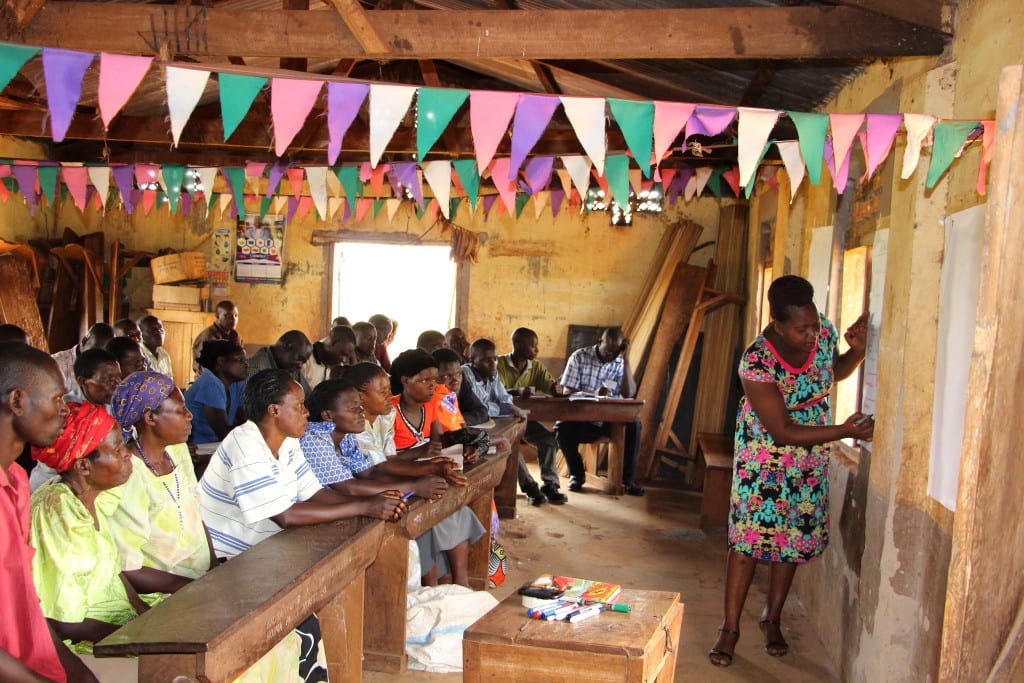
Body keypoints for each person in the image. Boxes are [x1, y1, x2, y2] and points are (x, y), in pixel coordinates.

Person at [708, 275, 873, 668]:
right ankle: (729, 629)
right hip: (764, 458)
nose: (812, 334)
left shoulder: (824, 333)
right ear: (777, 325)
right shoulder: (756, 361)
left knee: (793, 539)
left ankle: (772, 618)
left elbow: (832, 372)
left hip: (809, 458)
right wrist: (846, 431)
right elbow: (781, 430)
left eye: (815, 324)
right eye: (802, 329)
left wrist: (858, 353)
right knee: (749, 541)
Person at [199, 368, 406, 560]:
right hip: (230, 557)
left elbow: (315, 493)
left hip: (266, 547)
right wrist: (364, 506)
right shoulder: (245, 444)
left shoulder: (289, 441)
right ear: (274, 410)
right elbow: (286, 516)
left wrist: (376, 501)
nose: (306, 412)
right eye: (299, 406)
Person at [0, 342, 97, 683]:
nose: (66, 410)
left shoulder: (15, 481)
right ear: (17, 401)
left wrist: (78, 673)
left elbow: (24, 600)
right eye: (57, 399)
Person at [29, 402, 147, 680]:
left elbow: (113, 578)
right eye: (117, 449)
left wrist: (146, 615)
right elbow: (64, 623)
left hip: (120, 629)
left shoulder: (88, 498)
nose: (127, 454)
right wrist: (142, 638)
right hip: (86, 647)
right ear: (83, 465)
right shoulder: (59, 513)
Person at [109, 373, 214, 594]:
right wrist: (196, 589)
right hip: (164, 594)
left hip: (201, 580)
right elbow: (130, 569)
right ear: (149, 418)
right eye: (179, 410)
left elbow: (196, 513)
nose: (189, 416)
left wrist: (214, 570)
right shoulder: (127, 473)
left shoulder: (176, 450)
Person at [389, 350, 488, 586]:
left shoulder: (431, 406)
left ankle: (461, 582)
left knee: (456, 508)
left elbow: (439, 444)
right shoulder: (390, 412)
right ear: (405, 381)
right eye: (425, 381)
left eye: (434, 381)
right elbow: (385, 459)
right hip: (401, 479)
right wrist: (421, 453)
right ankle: (431, 587)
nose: (433, 386)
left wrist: (461, 451)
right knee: (427, 519)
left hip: (427, 472)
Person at [556, 326, 645, 497]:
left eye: (615, 352)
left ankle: (627, 479)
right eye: (607, 350)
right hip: (581, 419)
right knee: (562, 428)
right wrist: (592, 394)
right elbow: (568, 391)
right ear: (600, 342)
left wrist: (626, 361)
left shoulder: (619, 362)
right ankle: (577, 474)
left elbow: (629, 393)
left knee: (634, 423)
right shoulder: (580, 356)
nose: (610, 355)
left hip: (607, 421)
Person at [497, 328, 567, 505]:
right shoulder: (498, 364)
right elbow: (495, 392)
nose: (537, 350)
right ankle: (530, 487)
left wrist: (555, 389)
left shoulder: (535, 367)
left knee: (548, 440)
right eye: (533, 346)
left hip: (524, 419)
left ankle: (550, 485)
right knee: (512, 448)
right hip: (502, 421)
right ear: (517, 345)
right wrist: (516, 391)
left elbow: (550, 384)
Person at [185, 340, 248, 444]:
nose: (246, 364)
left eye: (245, 360)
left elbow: (244, 419)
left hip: (218, 444)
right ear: (221, 361)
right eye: (240, 360)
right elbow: (223, 431)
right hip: (200, 447)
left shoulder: (236, 383)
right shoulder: (209, 383)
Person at [51, 322, 114, 397]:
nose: (98, 358)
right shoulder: (56, 363)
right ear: (84, 341)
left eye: (103, 354)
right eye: (94, 351)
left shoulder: (108, 367)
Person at [246, 330, 314, 395]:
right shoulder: (252, 370)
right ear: (286, 346)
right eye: (300, 359)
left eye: (303, 362)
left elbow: (309, 399)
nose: (300, 366)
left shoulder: (292, 369)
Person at [192, 301, 244, 376]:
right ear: (217, 316)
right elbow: (206, 368)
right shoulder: (209, 337)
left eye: (236, 315)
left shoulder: (236, 336)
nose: (233, 319)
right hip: (209, 381)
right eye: (228, 316)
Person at [302, 324, 357, 391]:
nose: (344, 360)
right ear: (333, 342)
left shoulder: (337, 367)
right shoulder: (305, 359)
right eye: (343, 354)